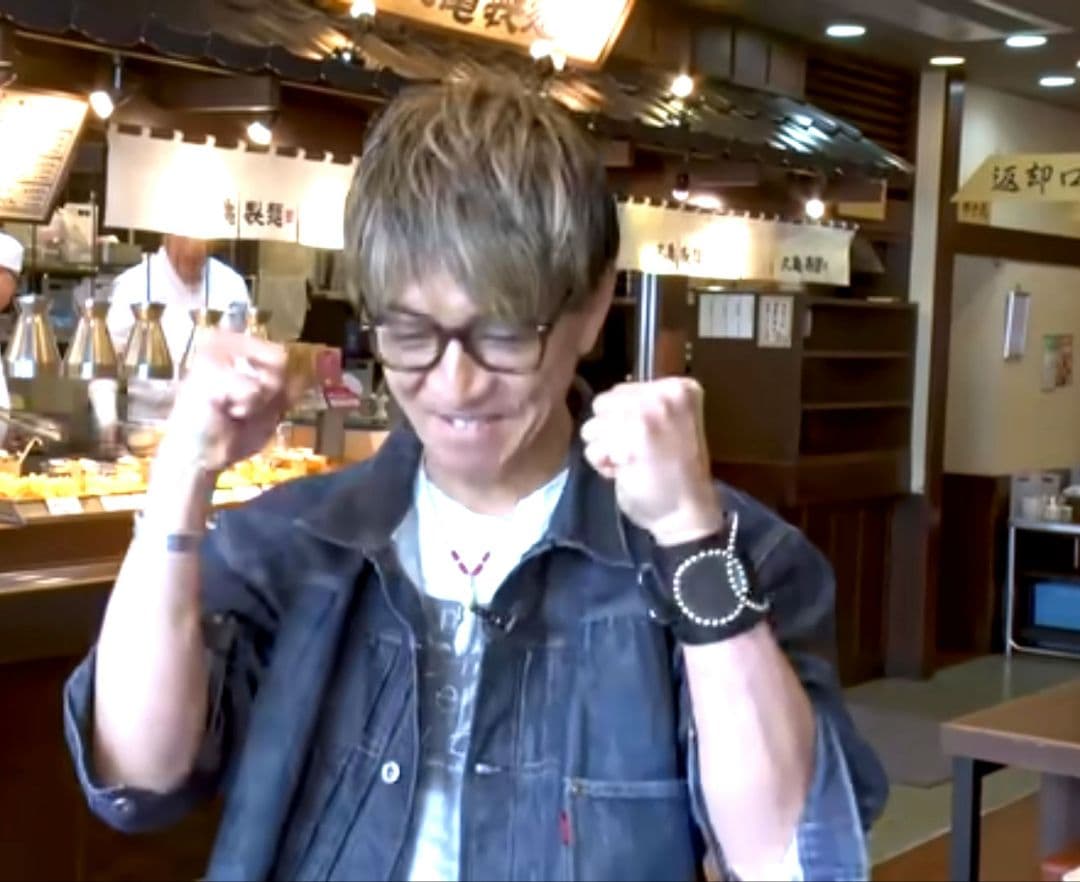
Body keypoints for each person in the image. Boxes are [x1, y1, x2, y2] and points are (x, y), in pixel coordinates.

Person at [64, 75, 886, 881]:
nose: (454, 385)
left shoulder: (729, 559)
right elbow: (137, 777)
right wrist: (183, 471)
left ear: (592, 306)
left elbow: (790, 861)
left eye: (502, 333)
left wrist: (689, 541)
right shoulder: (293, 544)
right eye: (410, 334)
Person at [106, 235, 250, 365]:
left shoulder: (232, 283)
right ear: (166, 237)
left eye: (199, 239)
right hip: (148, 385)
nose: (191, 249)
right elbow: (112, 354)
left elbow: (247, 351)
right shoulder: (131, 284)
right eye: (184, 239)